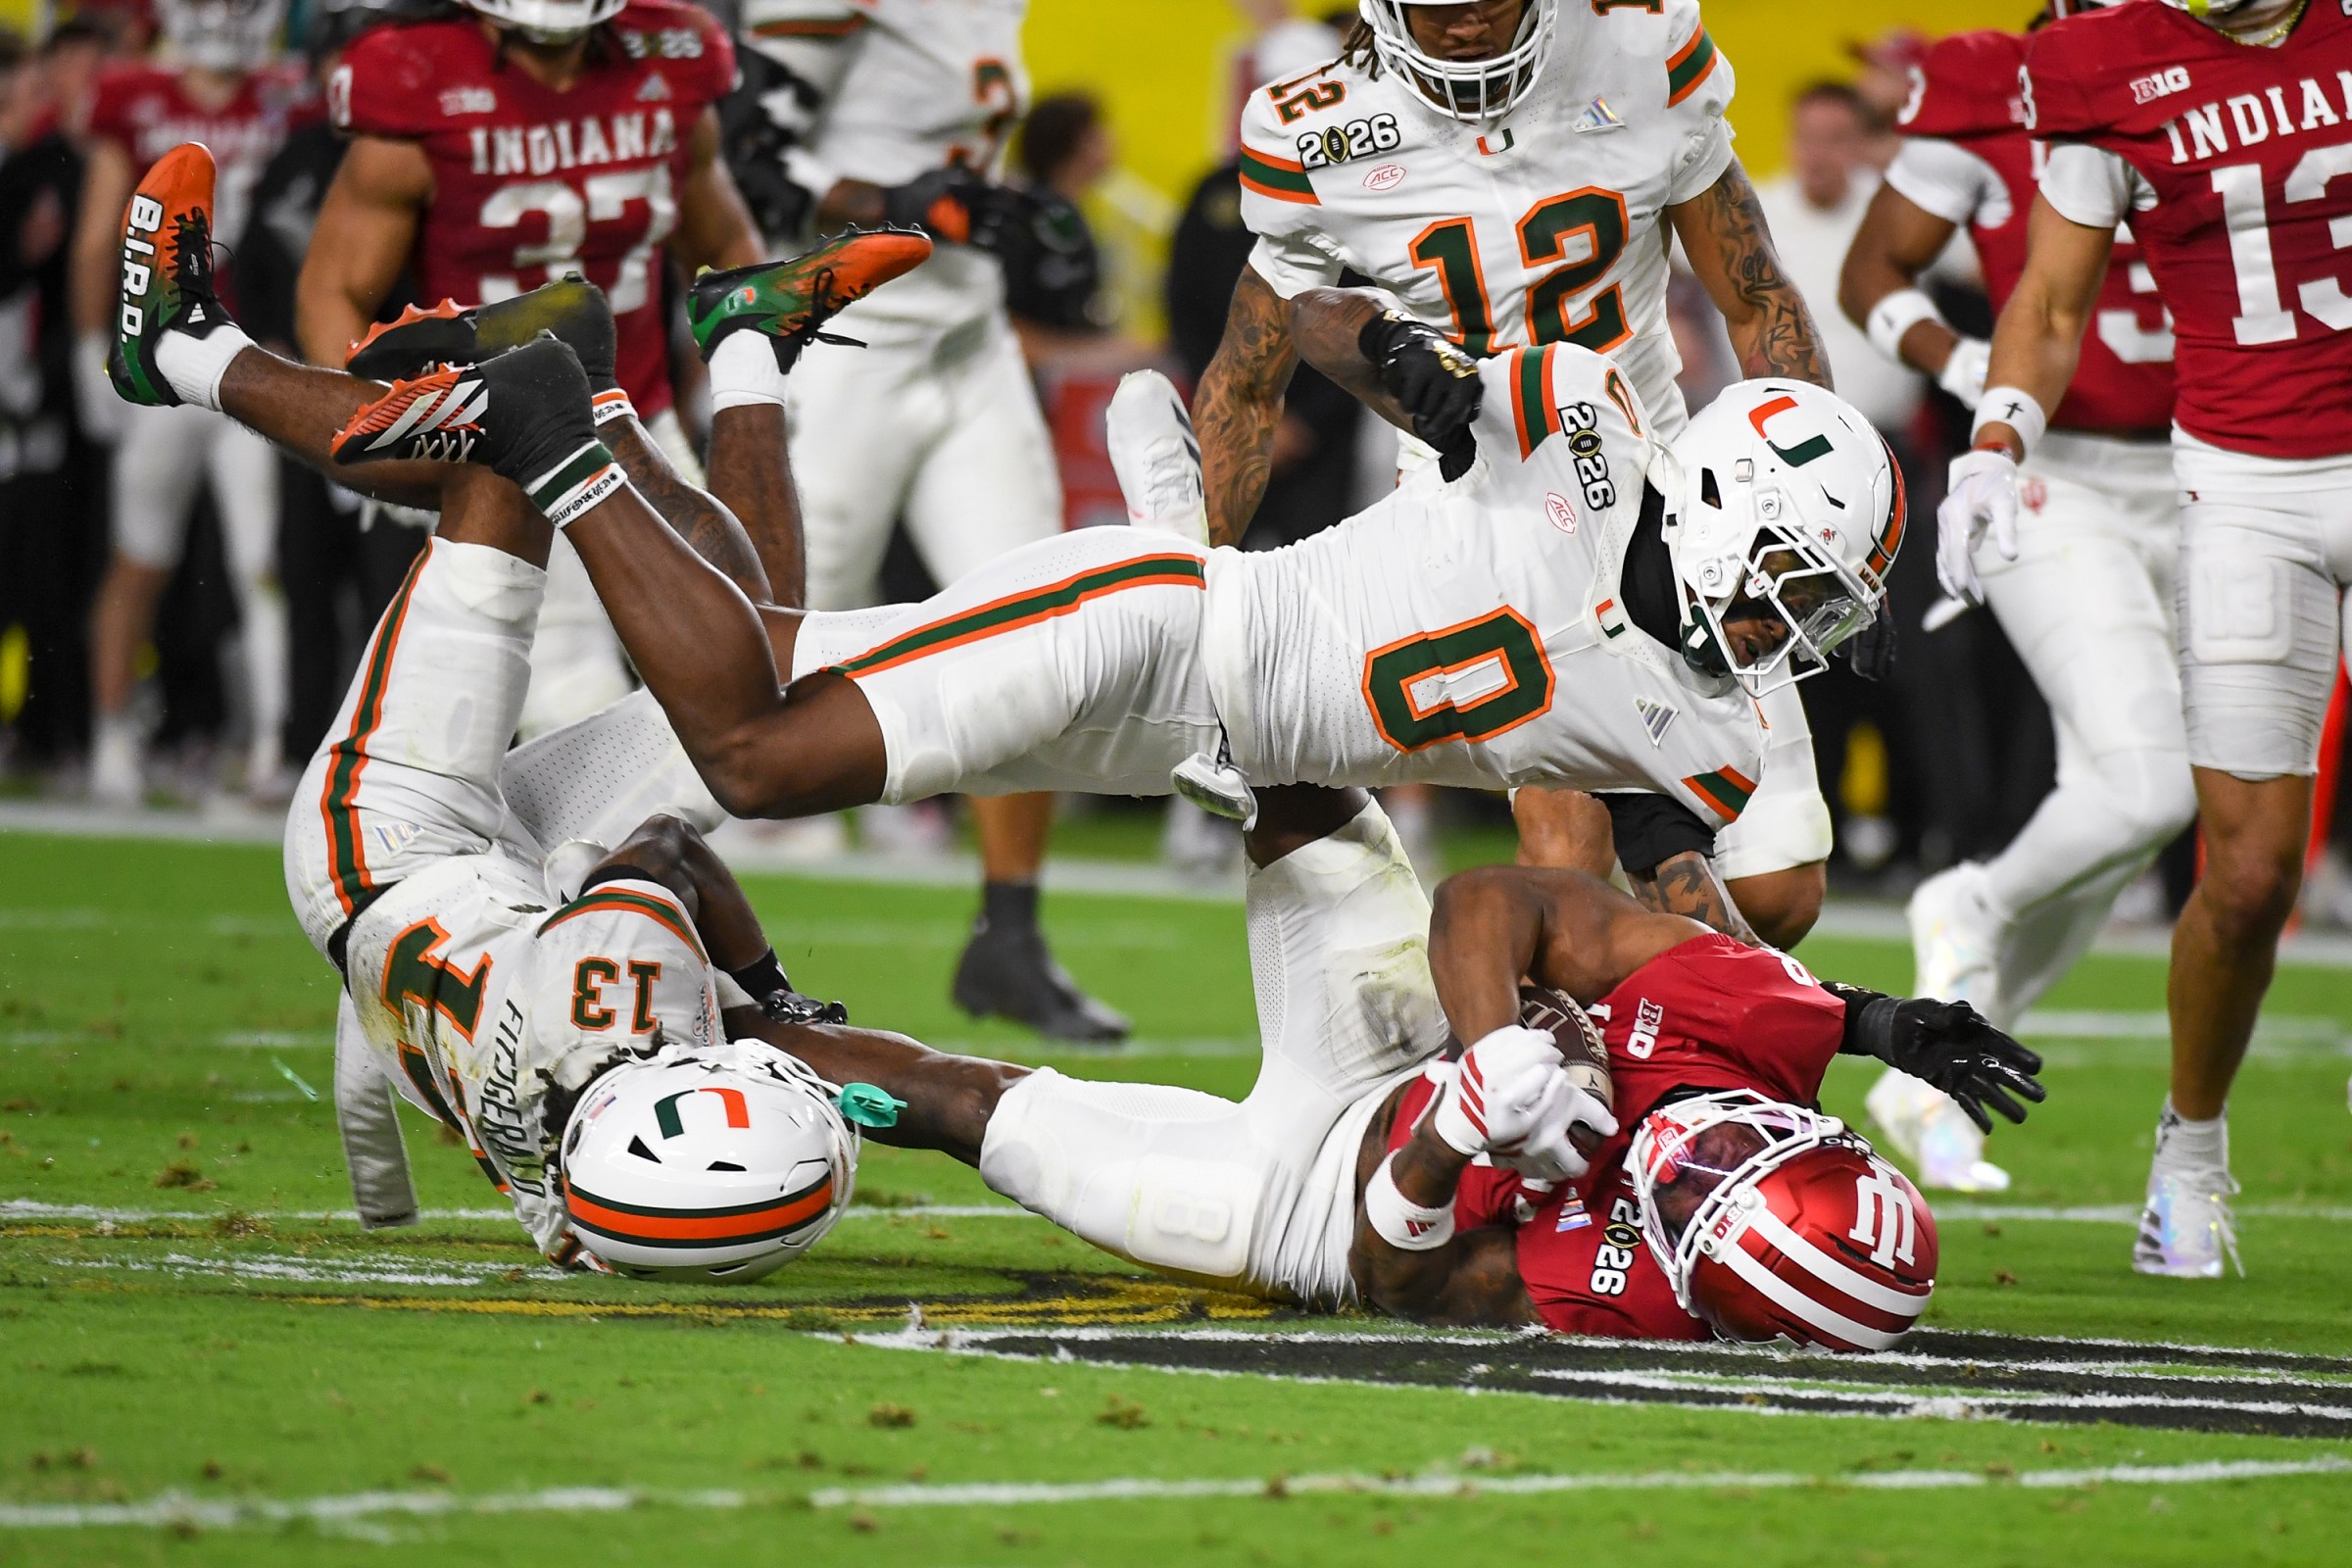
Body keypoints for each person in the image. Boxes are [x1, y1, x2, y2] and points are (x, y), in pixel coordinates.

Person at [767, 848, 2039, 1342]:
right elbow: (1488, 900)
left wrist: (1449, 1135)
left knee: (959, 1107)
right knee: (1292, 737)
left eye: (1697, 1197)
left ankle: (719, 1028)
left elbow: (1400, 1278)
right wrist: (1488, 1049)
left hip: (1301, 1213)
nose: (1691, 1154)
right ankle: (1189, 561)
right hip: (1401, 1025)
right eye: (1739, 1150)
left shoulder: (1628, 1295)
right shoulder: (1750, 1027)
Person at [1190, 0, 1844, 950]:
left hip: (1664, 485)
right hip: (1489, 507)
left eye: (1487, 1)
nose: (1463, 27)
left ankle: (1633, 1049)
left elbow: (1756, 297)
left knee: (1780, 888)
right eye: (1438, 7)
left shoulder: (1641, 47)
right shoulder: (1321, 128)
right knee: (1568, 867)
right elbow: (1246, 387)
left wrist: (1819, 502)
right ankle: (1574, 1077)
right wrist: (1181, 593)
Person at [1941, 0, 2352, 1277]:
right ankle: (2191, 1145)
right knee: (2245, 879)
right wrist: (1999, 437)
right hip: (2245, 486)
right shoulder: (2101, 64)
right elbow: (2051, 300)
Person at [716, 0, 1130, 1043]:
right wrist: (894, 203)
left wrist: (1008, 213)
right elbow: (746, 161)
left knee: (1047, 627)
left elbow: (940, 157)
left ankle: (1010, 935)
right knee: (750, 658)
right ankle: (640, 920)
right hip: (843, 340)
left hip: (966, 339)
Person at [1837, 8, 2189, 1196]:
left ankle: (1936, 1055)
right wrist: (1966, 366)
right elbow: (1870, 269)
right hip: (2053, 469)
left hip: (2226, 473)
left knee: (2112, 812)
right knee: (2151, 789)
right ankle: (1967, 898)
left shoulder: (2250, 68)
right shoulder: (1993, 79)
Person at [298, 0, 760, 738]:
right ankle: (588, 852)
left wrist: (748, 384)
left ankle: (608, 848)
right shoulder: (420, 71)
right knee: (574, 696)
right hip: (504, 438)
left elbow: (726, 240)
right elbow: (334, 287)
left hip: (641, 420)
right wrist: (380, 421)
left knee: (742, 666)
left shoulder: (671, 57)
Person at [69, 0, 308, 807]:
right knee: (143, 556)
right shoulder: (138, 96)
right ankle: (111, 739)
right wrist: (87, 346)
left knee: (261, 559)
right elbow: (103, 234)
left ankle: (273, 742)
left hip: (248, 363)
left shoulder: (285, 97)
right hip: (166, 363)